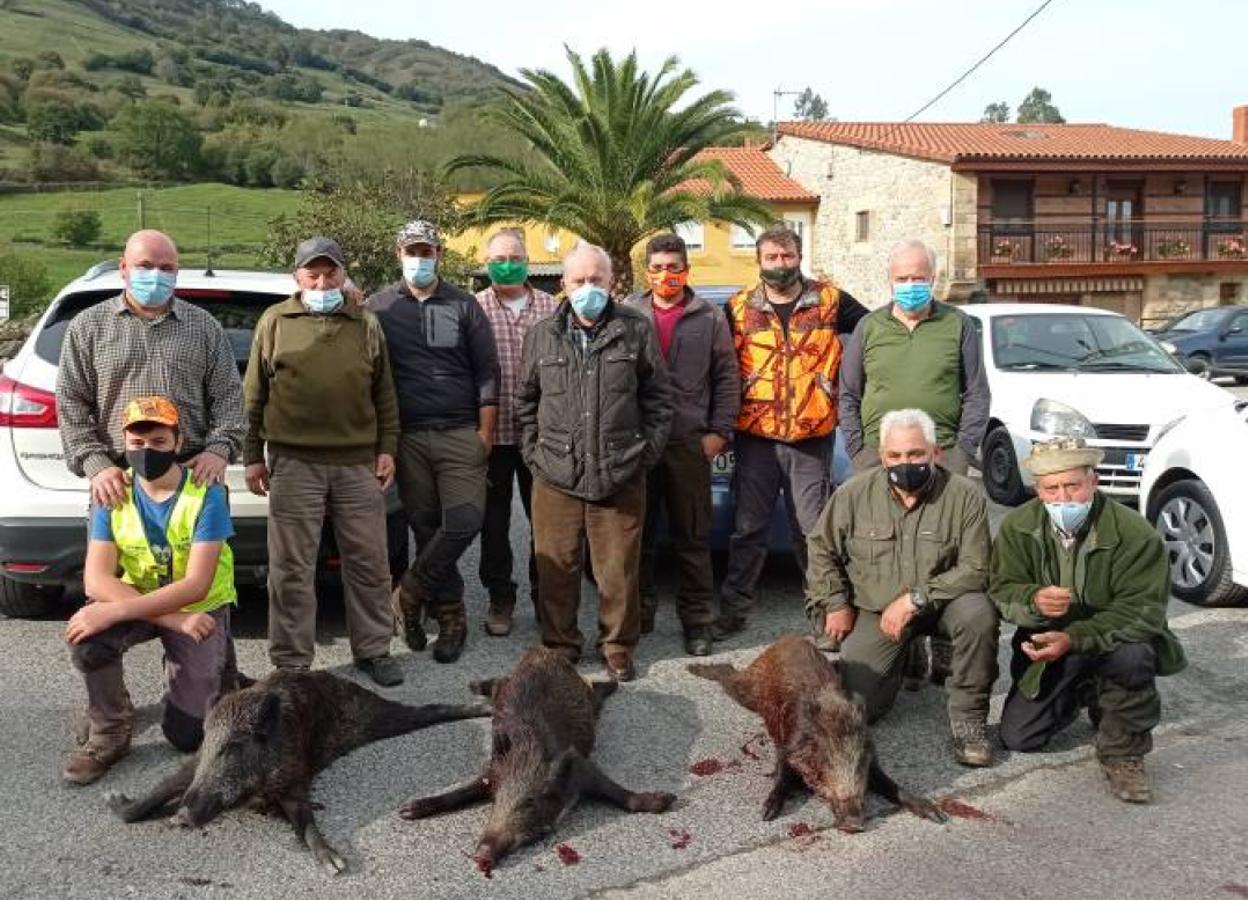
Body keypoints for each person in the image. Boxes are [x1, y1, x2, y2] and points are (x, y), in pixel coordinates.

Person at [58, 227, 248, 689]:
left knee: (208, 590)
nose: (155, 276)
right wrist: (96, 464)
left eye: (166, 268)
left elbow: (228, 399)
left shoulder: (203, 327)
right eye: (145, 266)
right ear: (124, 268)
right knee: (105, 592)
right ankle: (109, 726)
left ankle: (217, 676)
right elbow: (71, 404)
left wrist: (221, 449)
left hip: (193, 476)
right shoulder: (88, 327)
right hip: (119, 483)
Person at [990, 437, 1187, 803]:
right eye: (1052, 488)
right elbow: (1002, 590)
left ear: (1093, 481)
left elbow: (1142, 612)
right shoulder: (1018, 527)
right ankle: (1090, 691)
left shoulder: (1134, 533)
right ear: (1038, 490)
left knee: (1133, 656)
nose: (1063, 498)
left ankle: (1124, 753)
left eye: (1073, 485)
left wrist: (1075, 638)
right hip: (1049, 643)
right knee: (1020, 738)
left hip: (1112, 639)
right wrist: (1033, 602)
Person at [244, 237, 403, 686]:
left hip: (357, 463)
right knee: (291, 566)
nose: (321, 281)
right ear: (296, 277)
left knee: (369, 561)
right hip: (294, 463)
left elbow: (385, 394)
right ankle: (291, 662)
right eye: (312, 274)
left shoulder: (365, 324)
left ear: (343, 274)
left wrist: (386, 447)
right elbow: (254, 395)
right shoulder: (275, 322)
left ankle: (373, 649)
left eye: (330, 273)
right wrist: (253, 455)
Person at [805, 409, 999, 766]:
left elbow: (977, 567)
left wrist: (915, 598)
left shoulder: (964, 495)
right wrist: (834, 602)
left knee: (979, 613)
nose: (904, 463)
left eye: (915, 454)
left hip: (942, 605)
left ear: (935, 453)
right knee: (858, 706)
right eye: (894, 456)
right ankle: (906, 654)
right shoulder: (854, 494)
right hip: (878, 609)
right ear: (882, 456)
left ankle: (969, 719)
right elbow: (821, 548)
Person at [516, 242, 671, 682]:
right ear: (563, 284)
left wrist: (644, 456)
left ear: (611, 282)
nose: (588, 289)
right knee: (556, 567)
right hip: (555, 475)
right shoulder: (542, 334)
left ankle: (618, 646)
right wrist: (534, 455)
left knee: (618, 569)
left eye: (596, 280)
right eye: (579, 281)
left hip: (620, 473)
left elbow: (659, 400)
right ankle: (560, 645)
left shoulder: (635, 330)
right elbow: (526, 402)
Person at [64, 396, 236, 785]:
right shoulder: (111, 490)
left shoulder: (207, 493)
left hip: (201, 607)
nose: (146, 451)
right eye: (137, 443)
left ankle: (221, 669)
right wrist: (171, 620)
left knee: (186, 735)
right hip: (169, 611)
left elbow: (197, 583)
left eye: (158, 442)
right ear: (124, 443)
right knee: (89, 638)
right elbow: (97, 580)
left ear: (177, 442)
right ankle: (108, 730)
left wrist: (117, 609)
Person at [716, 224, 869, 638]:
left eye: (787, 256)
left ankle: (824, 611)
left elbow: (876, 333)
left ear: (799, 257)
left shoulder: (831, 300)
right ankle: (734, 608)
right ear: (759, 261)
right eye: (772, 258)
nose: (780, 265)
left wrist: (845, 385)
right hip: (756, 436)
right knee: (749, 527)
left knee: (813, 530)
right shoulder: (738, 307)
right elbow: (716, 364)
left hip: (811, 436)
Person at [367, 220, 501, 664]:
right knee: (425, 528)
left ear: (439, 254)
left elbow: (487, 372)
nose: (419, 259)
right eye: (412, 251)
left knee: (466, 521)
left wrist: (485, 432)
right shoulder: (379, 307)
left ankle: (408, 592)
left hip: (460, 431)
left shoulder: (463, 304)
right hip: (406, 437)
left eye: (426, 251)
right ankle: (450, 616)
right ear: (398, 254)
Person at [625, 233, 738, 656]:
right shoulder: (629, 312)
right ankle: (642, 612)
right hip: (639, 442)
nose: (665, 275)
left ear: (686, 269)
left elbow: (727, 377)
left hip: (689, 443)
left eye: (673, 267)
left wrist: (718, 432)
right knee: (638, 536)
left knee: (693, 538)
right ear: (647, 271)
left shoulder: (708, 316)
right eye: (656, 268)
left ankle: (696, 622)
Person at [839, 239, 989, 477]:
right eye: (902, 279)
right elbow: (848, 393)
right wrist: (857, 448)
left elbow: (977, 392)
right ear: (890, 280)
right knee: (876, 515)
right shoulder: (868, 327)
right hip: (876, 455)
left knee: (942, 516)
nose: (910, 285)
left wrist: (963, 450)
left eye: (918, 278)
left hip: (942, 454)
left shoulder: (958, 324)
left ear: (932, 278)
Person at [474, 229, 557, 637]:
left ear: (528, 259)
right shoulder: (473, 309)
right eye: (498, 257)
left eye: (514, 256)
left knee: (546, 523)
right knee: (493, 524)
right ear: (486, 262)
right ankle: (500, 598)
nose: (506, 263)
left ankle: (547, 596)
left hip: (541, 437)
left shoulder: (551, 306)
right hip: (491, 437)